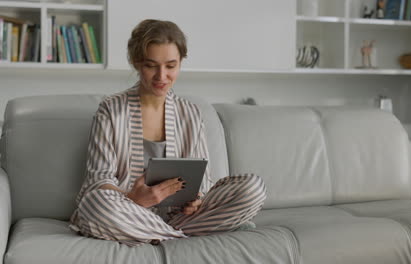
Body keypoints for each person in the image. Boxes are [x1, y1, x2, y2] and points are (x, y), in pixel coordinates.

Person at [69, 19, 267, 246]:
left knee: (253, 188)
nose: (161, 77)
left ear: (181, 63)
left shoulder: (191, 113)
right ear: (136, 63)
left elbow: (202, 180)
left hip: (181, 216)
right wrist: (133, 198)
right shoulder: (111, 110)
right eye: (151, 65)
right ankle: (179, 237)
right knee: (94, 204)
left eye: (170, 66)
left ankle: (157, 233)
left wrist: (197, 200)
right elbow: (98, 178)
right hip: (125, 211)